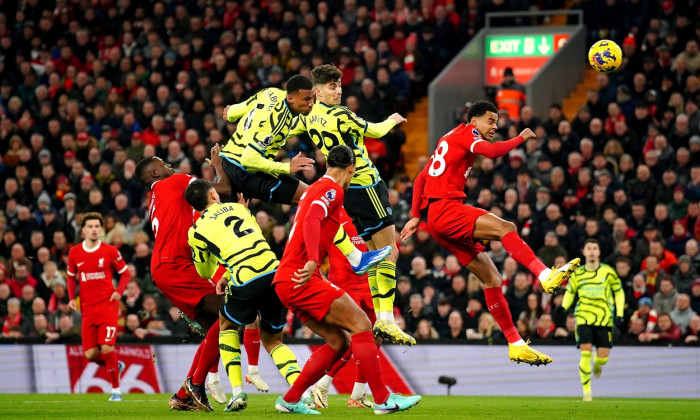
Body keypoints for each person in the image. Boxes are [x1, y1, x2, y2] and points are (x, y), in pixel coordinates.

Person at [402, 100, 581, 365]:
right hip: (446, 210)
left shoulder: (448, 137)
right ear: (474, 121)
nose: (495, 126)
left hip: (437, 217)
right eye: (490, 120)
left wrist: (416, 215)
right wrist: (520, 138)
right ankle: (545, 275)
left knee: (492, 278)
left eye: (497, 122)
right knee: (506, 227)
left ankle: (516, 344)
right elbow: (492, 152)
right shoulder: (467, 134)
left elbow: (420, 179)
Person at [272, 145, 421, 415]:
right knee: (363, 325)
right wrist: (313, 261)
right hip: (303, 276)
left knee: (339, 342)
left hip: (286, 281)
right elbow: (314, 219)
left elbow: (339, 230)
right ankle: (382, 400)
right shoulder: (331, 190)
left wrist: (359, 259)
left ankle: (290, 400)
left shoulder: (322, 191)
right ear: (352, 168)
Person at [221, 73, 391, 278]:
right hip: (245, 171)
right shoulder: (277, 120)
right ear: (291, 98)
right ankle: (329, 259)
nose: (311, 104)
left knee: (315, 200)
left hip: (230, 160)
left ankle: (351, 257)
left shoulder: (270, 93)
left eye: (312, 98)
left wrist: (230, 114)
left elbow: (234, 112)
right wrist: (286, 167)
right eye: (306, 100)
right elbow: (249, 158)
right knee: (314, 201)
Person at [298, 64, 414, 345]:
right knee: (390, 251)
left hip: (345, 190)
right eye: (331, 87)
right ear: (317, 90)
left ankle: (383, 319)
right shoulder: (340, 114)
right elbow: (374, 131)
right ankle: (386, 319)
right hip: (365, 183)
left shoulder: (308, 115)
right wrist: (393, 120)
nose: (337, 91)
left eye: (339, 85)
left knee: (376, 253)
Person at [135, 146, 250, 411]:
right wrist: (220, 166)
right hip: (176, 265)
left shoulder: (160, 197)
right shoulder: (175, 182)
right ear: (155, 172)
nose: (170, 165)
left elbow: (202, 214)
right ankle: (196, 384)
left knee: (219, 327)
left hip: (168, 266)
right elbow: (220, 189)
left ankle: (185, 394)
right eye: (163, 162)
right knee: (231, 316)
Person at [185, 180, 306, 412]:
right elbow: (254, 240)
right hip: (275, 272)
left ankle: (238, 392)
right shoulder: (239, 208)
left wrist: (222, 271)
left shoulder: (196, 231)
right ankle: (301, 392)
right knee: (273, 341)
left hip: (246, 278)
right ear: (213, 194)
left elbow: (203, 271)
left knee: (226, 327)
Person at [310, 210, 382, 409]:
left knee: (376, 336)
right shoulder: (335, 212)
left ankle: (358, 394)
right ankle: (322, 384)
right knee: (355, 338)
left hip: (367, 282)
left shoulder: (370, 210)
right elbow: (316, 244)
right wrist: (318, 274)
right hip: (344, 283)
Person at [66, 213, 130, 402]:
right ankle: (115, 366)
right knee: (90, 354)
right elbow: (70, 277)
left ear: (101, 229)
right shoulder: (74, 252)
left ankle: (116, 391)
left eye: (97, 226)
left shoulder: (110, 251)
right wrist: (71, 298)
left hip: (107, 306)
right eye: (90, 226)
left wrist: (118, 291)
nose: (94, 229)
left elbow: (125, 274)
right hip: (87, 308)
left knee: (106, 347)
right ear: (83, 230)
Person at [562, 239, 625, 402]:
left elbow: (618, 292)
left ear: (599, 252)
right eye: (588, 248)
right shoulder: (577, 274)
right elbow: (570, 292)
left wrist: (619, 313)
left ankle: (597, 364)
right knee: (585, 353)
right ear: (583, 252)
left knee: (603, 358)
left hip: (604, 319)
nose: (591, 251)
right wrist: (563, 307)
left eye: (594, 248)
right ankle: (587, 393)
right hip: (583, 317)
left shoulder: (608, 272)